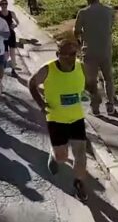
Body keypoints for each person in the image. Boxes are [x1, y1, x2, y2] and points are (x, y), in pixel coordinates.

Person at [29, 39, 89, 203]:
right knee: (62, 158)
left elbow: (89, 84)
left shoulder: (80, 66)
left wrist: (95, 94)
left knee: (80, 154)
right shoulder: (48, 69)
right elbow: (32, 83)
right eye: (66, 55)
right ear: (57, 55)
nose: (71, 58)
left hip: (76, 118)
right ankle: (54, 155)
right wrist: (41, 103)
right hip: (56, 119)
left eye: (73, 54)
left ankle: (78, 183)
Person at [73, 0, 116, 115]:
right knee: (108, 79)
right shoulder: (109, 11)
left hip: (89, 51)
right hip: (105, 50)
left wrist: (80, 40)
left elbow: (76, 31)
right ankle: (111, 105)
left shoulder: (83, 12)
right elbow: (110, 26)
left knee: (92, 81)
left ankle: (96, 107)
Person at [0, 0, 20, 73]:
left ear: (7, 4)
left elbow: (17, 21)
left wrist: (15, 25)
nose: (4, 5)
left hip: (11, 34)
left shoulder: (11, 13)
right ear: (0, 5)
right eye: (2, 4)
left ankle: (13, 69)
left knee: (12, 52)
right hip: (3, 36)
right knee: (6, 54)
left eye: (5, 4)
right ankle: (4, 64)